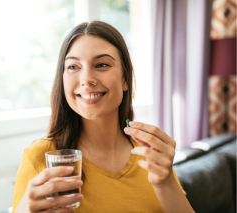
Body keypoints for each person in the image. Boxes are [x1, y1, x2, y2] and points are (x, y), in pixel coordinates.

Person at [12, 21, 195, 213]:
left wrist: (166, 183)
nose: (86, 79)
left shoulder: (149, 152)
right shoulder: (40, 156)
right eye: (74, 67)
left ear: (125, 79)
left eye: (102, 64)